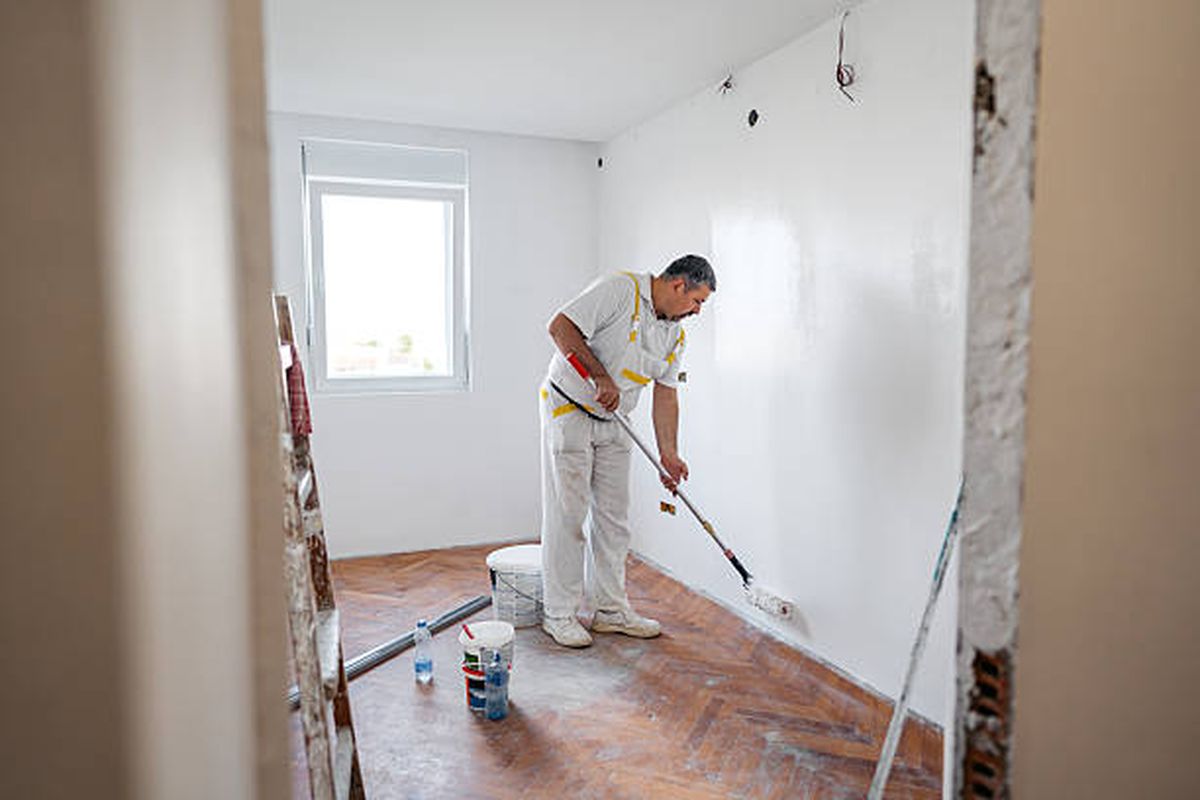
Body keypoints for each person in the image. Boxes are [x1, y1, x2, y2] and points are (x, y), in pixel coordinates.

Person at [538, 254, 716, 647]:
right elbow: (560, 326)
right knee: (569, 514)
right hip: (570, 406)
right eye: (697, 301)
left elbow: (666, 394)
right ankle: (560, 613)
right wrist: (599, 376)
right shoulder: (620, 289)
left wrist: (669, 454)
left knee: (615, 518)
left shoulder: (676, 334)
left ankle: (610, 610)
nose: (698, 311)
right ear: (677, 286)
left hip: (617, 419)